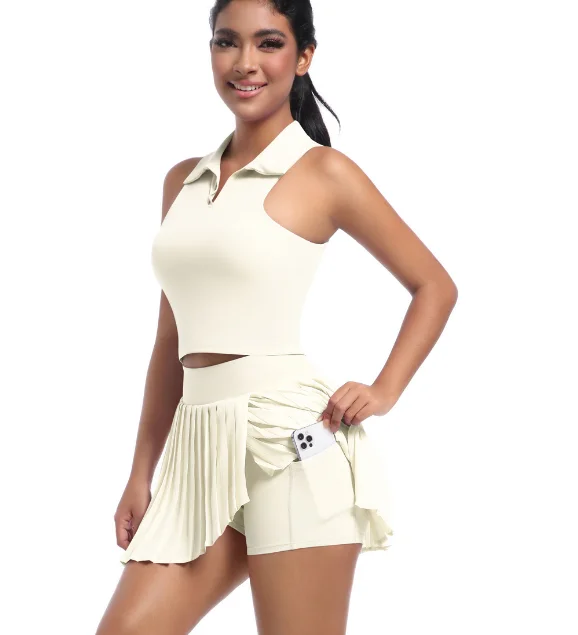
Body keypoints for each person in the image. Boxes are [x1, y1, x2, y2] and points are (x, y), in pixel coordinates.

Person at [96, 1, 458, 633]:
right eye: (226, 42)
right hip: (198, 450)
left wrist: (384, 389)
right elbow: (169, 338)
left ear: (304, 56)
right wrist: (140, 473)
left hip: (293, 447)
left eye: (268, 43)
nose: (245, 63)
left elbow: (434, 286)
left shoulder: (324, 172)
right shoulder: (182, 181)